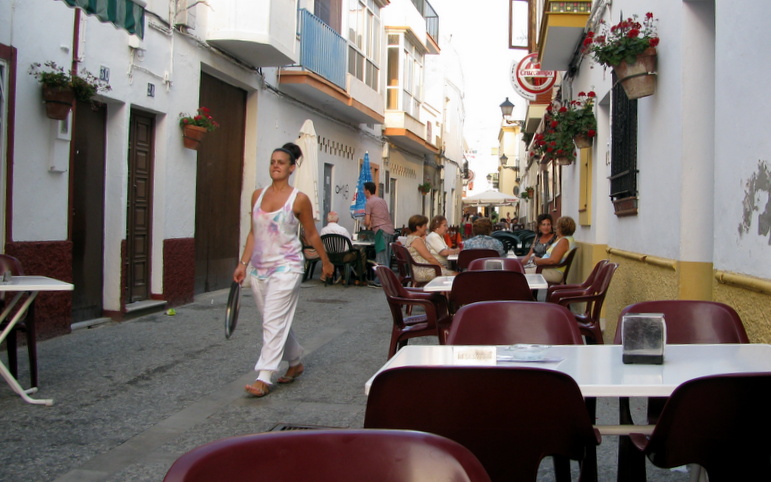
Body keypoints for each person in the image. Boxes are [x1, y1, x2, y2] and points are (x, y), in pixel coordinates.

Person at [234, 142, 333, 398]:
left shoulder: (298, 199)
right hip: (259, 269)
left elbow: (310, 233)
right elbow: (254, 233)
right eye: (272, 161)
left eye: (281, 162)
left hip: (288, 267)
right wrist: (242, 264)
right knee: (273, 319)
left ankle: (264, 375)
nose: (275, 165)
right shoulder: (257, 195)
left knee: (273, 320)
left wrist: (326, 261)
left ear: (291, 168)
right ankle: (295, 361)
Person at [404, 215, 455, 282]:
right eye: (425, 225)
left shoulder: (410, 238)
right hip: (423, 271)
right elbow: (430, 258)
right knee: (457, 276)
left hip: (419, 269)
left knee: (453, 274)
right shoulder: (417, 240)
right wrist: (441, 268)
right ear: (418, 227)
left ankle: (443, 292)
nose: (426, 228)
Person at [320, 211, 366, 284]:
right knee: (360, 253)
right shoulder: (343, 230)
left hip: (329, 256)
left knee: (341, 254)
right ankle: (359, 278)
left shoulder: (323, 231)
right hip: (343, 257)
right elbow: (349, 245)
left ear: (327, 219)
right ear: (338, 220)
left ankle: (344, 276)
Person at [364, 181, 395, 287]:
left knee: (381, 256)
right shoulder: (382, 200)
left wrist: (365, 223)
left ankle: (381, 281)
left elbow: (367, 222)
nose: (363, 192)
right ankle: (388, 279)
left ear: (367, 191)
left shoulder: (369, 202)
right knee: (387, 256)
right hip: (390, 230)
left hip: (380, 230)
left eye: (364, 190)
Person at [534, 216, 577, 283]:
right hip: (548, 269)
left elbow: (553, 261)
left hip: (553, 272)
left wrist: (537, 261)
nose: (555, 228)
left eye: (557, 226)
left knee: (520, 273)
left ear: (561, 228)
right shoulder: (566, 239)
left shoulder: (564, 241)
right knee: (522, 270)